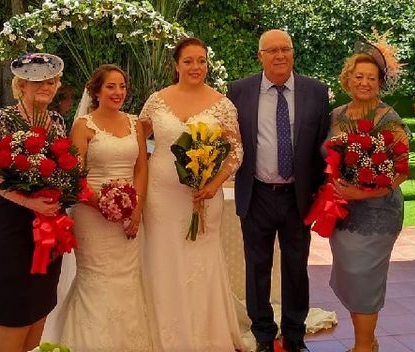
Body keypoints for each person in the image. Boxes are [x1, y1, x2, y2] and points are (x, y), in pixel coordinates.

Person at [139, 36, 246, 352]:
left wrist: (214, 183)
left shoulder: (222, 104)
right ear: (176, 65)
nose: (196, 67)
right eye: (188, 61)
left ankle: (203, 334)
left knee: (200, 261)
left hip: (204, 197)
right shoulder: (156, 101)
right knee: (162, 259)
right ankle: (165, 332)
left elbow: (236, 150)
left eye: (201, 60)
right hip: (160, 197)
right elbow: (134, 139)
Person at [228, 29, 329, 352]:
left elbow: (322, 148)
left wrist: (320, 193)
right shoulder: (239, 91)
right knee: (257, 267)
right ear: (260, 56)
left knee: (296, 267)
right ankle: (263, 335)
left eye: (285, 49)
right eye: (271, 50)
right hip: (256, 194)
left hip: (297, 198)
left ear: (293, 53)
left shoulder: (315, 91)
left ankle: (295, 335)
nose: (279, 56)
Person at [47, 64, 152, 352]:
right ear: (96, 91)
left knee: (126, 279)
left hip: (130, 214)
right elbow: (74, 175)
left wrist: (136, 211)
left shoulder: (135, 124)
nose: (118, 92)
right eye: (111, 86)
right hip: (91, 213)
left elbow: (141, 169)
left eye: (122, 86)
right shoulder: (83, 125)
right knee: (96, 278)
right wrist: (103, 205)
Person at [0, 52, 66, 352]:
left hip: (47, 226)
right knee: (13, 308)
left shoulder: (57, 120)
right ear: (21, 85)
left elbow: (66, 169)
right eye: (37, 80)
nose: (46, 86)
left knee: (38, 304)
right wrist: (29, 203)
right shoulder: (4, 118)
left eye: (51, 80)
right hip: (8, 226)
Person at [329, 39, 410, 352]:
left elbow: (402, 170)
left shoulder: (389, 119)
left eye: (371, 78)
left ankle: (363, 346)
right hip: (342, 215)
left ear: (380, 82)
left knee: (364, 277)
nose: (364, 82)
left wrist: (362, 193)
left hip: (378, 214)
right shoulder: (336, 115)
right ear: (347, 78)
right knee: (350, 275)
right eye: (358, 76)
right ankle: (368, 341)